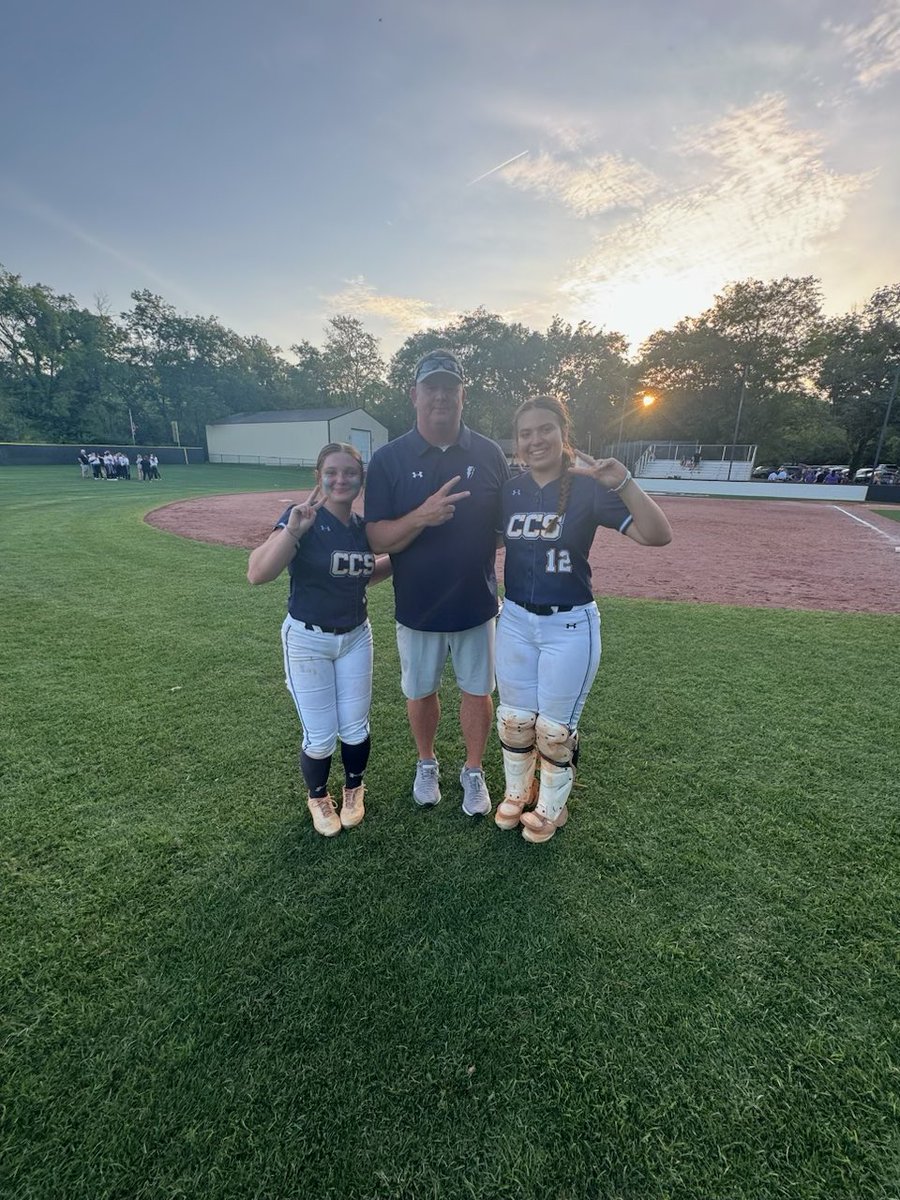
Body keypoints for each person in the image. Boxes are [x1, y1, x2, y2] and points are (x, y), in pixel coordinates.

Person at [494, 396, 672, 843]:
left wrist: (625, 483)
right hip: (514, 619)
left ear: (563, 433)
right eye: (526, 433)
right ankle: (518, 791)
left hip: (569, 624)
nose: (536, 440)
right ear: (517, 442)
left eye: (545, 429)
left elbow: (658, 535)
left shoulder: (588, 488)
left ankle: (553, 807)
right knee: (515, 719)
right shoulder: (510, 491)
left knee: (554, 730)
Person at [364, 350, 510, 816]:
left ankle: (473, 770)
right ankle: (426, 763)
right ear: (414, 395)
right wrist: (421, 517)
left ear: (463, 394)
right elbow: (376, 537)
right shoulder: (389, 458)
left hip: (476, 602)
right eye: (432, 387)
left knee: (477, 691)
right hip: (417, 605)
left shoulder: (489, 453)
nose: (441, 396)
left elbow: (504, 528)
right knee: (420, 691)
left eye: (450, 387)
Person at [247, 443, 391, 837]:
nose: (341, 479)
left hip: (356, 636)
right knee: (321, 734)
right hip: (308, 640)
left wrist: (400, 559)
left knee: (356, 728)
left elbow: (360, 574)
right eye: (332, 472)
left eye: (350, 472)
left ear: (361, 479)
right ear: (319, 477)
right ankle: (318, 797)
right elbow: (258, 573)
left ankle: (354, 789)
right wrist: (294, 530)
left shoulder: (362, 528)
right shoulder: (301, 516)